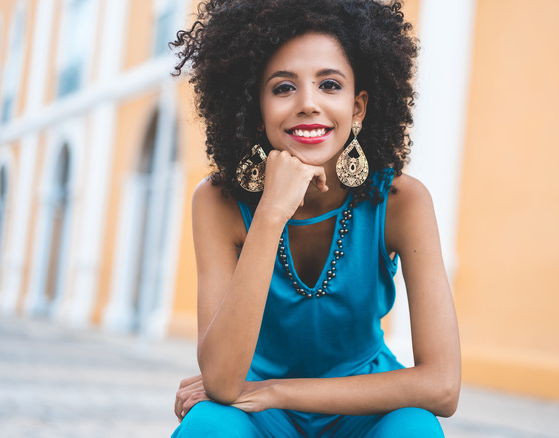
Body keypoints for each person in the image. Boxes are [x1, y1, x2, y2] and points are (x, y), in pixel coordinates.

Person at [170, 1, 461, 436]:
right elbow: (222, 380)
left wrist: (277, 391)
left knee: (416, 428)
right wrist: (271, 211)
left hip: (366, 407)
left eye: (329, 84)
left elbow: (442, 387)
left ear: (358, 108)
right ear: (256, 106)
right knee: (208, 426)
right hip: (257, 413)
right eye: (283, 88)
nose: (308, 104)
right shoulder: (218, 201)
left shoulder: (402, 201)